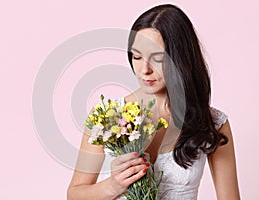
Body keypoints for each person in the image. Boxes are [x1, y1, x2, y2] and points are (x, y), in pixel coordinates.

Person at [67, 4, 240, 200]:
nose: (144, 70)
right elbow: (75, 194)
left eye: (157, 58)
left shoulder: (212, 122)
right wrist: (113, 185)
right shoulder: (109, 115)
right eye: (137, 56)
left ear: (180, 59)